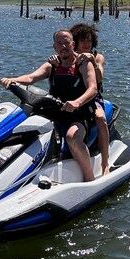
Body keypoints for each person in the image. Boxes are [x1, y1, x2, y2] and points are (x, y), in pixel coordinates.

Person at [0, 29, 98, 182]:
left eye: (66, 43)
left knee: (73, 138)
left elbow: (93, 88)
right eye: (59, 43)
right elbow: (31, 77)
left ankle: (89, 177)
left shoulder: (83, 64)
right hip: (55, 111)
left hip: (78, 113)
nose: (63, 46)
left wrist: (76, 102)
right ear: (54, 47)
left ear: (73, 44)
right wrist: (12, 80)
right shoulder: (52, 65)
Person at [49, 23, 110, 175]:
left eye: (89, 40)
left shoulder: (97, 57)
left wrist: (93, 62)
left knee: (100, 117)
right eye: (83, 40)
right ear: (76, 42)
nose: (86, 44)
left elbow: (99, 77)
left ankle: (105, 162)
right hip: (71, 96)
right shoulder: (71, 56)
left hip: (93, 97)